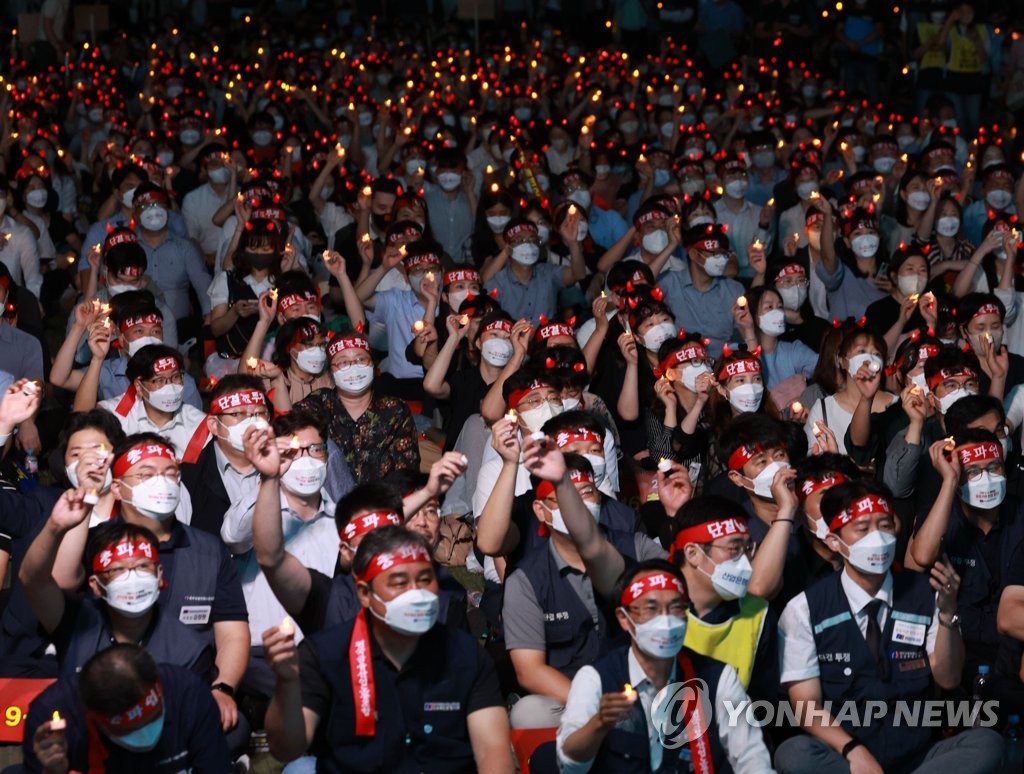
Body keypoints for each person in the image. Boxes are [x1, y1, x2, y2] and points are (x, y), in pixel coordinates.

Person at [774, 480, 1004, 773]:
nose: (877, 538)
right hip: (847, 759)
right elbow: (806, 706)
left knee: (987, 744)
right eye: (863, 529)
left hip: (919, 757)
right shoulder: (805, 608)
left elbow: (947, 678)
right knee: (793, 753)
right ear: (835, 541)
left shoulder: (924, 593)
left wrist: (948, 613)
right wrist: (852, 750)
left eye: (884, 525)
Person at [262, 525, 514, 772]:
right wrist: (287, 685)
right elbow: (286, 748)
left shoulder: (466, 655)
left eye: (425, 580)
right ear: (364, 593)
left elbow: (493, 751)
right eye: (399, 583)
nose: (416, 593)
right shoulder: (325, 655)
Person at [556, 560, 773, 772]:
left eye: (676, 608)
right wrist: (599, 724)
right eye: (651, 609)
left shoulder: (717, 676)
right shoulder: (596, 678)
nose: (666, 620)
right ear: (624, 618)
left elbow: (751, 758)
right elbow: (570, 764)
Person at [23, 644, 230, 772]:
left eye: (154, 717)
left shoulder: (188, 692)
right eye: (129, 730)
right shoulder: (50, 721)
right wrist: (53, 771)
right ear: (95, 716)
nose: (146, 733)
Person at [295, 333, 419, 483]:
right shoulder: (316, 405)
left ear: (372, 364)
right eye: (343, 362)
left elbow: (406, 472)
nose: (354, 366)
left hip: (382, 502)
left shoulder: (395, 410)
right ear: (331, 371)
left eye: (361, 359)